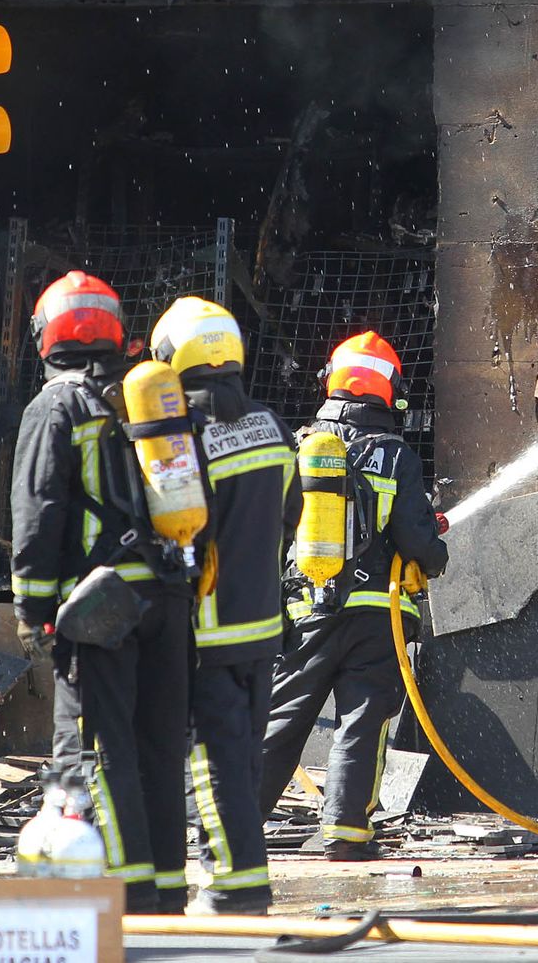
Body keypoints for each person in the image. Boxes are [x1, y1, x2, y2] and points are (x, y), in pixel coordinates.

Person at [9, 270, 194, 913]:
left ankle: (128, 892)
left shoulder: (55, 407)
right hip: (168, 598)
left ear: (46, 337)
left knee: (99, 750)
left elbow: (39, 511)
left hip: (98, 608)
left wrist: (33, 610)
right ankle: (169, 892)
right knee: (160, 748)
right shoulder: (146, 397)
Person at [259, 331, 449, 860]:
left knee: (283, 717)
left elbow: (274, 534)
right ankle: (345, 833)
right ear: (392, 392)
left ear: (331, 384)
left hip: (305, 612)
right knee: (363, 720)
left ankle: (234, 826)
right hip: (375, 618)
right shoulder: (396, 456)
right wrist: (435, 553)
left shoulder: (300, 447)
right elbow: (415, 541)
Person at [148, 297, 301, 916]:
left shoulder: (183, 439)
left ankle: (235, 887)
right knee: (241, 759)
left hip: (206, 630)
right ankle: (242, 878)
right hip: (263, 626)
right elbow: (289, 517)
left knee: (212, 763)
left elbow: (173, 530)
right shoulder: (273, 426)